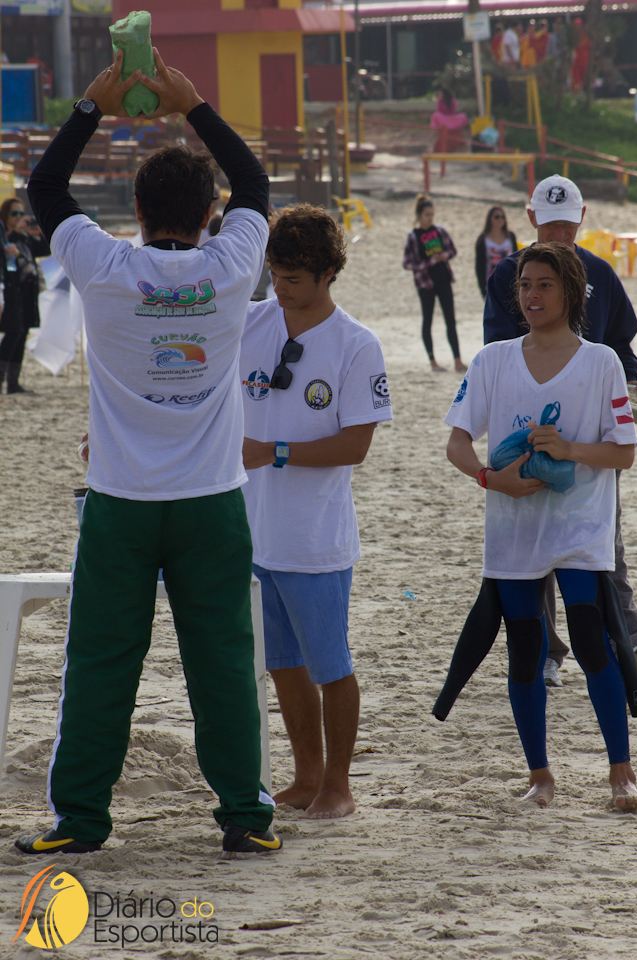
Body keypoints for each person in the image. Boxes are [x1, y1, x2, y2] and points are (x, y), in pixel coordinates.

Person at [15, 49, 282, 858]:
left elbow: (46, 188)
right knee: (224, 663)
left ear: (134, 209)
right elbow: (256, 184)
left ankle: (80, 821)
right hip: (211, 501)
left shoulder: (104, 266)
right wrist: (193, 104)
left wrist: (91, 109)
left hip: (121, 502)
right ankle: (244, 819)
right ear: (210, 213)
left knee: (100, 664)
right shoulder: (231, 265)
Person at [445, 242, 637, 811]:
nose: (532, 295)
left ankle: (621, 771)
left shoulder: (601, 362)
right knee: (525, 647)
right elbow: (457, 442)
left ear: (572, 293)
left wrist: (569, 448)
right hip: (513, 529)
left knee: (592, 639)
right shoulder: (492, 360)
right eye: (525, 285)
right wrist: (490, 479)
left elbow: (624, 452)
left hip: (580, 528)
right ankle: (540, 776)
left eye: (544, 285)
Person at [240, 203, 392, 819]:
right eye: (274, 274)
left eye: (293, 278)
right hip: (253, 533)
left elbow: (355, 446)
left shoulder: (357, 344)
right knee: (283, 665)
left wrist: (272, 450)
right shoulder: (250, 321)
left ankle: (338, 786)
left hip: (315, 539)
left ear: (329, 273)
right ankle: (305, 778)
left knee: (331, 666)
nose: (279, 288)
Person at [484, 174, 637, 688]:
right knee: (533, 541)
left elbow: (621, 344)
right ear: (532, 218)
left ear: (582, 219)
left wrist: (630, 383)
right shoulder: (511, 274)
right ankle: (546, 648)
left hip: (591, 437)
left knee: (604, 539)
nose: (558, 235)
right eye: (549, 225)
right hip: (528, 434)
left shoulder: (600, 273)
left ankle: (627, 639)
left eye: (567, 226)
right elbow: (497, 354)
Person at [403, 195, 466, 373]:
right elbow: (407, 263)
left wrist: (445, 256)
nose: (430, 218)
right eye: (427, 215)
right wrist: (429, 262)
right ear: (419, 215)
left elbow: (452, 250)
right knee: (428, 320)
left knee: (450, 321)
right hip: (425, 284)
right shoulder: (413, 236)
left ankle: (458, 361)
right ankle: (433, 362)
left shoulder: (440, 231)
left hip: (444, 280)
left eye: (432, 214)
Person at [0, 198, 49, 394]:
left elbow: (45, 248)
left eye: (21, 214)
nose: (19, 217)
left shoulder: (25, 238)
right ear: (5, 215)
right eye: (15, 214)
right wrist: (16, 233)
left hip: (27, 293)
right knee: (13, 332)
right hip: (11, 291)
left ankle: (13, 382)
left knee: (22, 333)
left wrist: (42, 226)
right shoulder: (5, 235)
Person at [475, 206, 517, 298]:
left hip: (510, 284)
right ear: (490, 219)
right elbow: (479, 267)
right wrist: (483, 291)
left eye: (503, 217)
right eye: (497, 217)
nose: (500, 220)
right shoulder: (483, 240)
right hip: (491, 284)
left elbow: (517, 260)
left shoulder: (511, 236)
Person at [571, 18, 591, 93]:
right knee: (576, 79)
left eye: (579, 25)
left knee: (583, 79)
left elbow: (588, 49)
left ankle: (582, 93)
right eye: (576, 25)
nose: (577, 27)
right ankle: (576, 93)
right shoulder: (572, 36)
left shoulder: (585, 36)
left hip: (584, 61)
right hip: (575, 62)